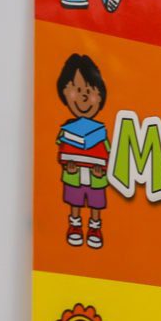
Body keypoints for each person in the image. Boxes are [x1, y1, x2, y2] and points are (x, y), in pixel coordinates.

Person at [54, 54, 112, 249]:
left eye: (89, 90)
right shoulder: (67, 130)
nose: (84, 96)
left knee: (96, 203)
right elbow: (61, 149)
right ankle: (75, 225)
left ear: (100, 95)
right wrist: (66, 164)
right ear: (64, 91)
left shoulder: (100, 132)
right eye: (77, 90)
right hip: (73, 176)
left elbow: (107, 154)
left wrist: (101, 169)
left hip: (96, 178)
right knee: (75, 201)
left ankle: (95, 228)